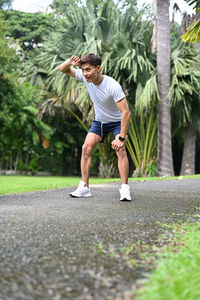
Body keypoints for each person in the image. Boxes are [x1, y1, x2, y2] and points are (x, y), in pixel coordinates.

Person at [59, 53, 131, 201]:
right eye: (83, 70)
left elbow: (126, 112)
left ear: (98, 68)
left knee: (121, 149)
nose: (85, 74)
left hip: (118, 122)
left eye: (88, 70)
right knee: (86, 147)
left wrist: (121, 138)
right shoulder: (86, 78)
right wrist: (70, 62)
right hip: (100, 122)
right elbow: (63, 69)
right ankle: (85, 187)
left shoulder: (112, 85)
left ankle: (125, 189)